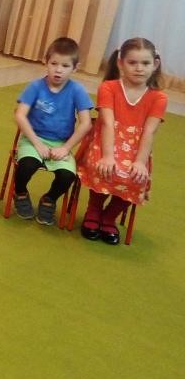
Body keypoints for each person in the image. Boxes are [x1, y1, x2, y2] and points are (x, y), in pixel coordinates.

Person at [76, 38, 167, 245]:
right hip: (105, 141)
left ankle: (109, 216)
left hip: (136, 148)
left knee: (135, 176)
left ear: (155, 64)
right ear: (120, 63)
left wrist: (140, 162)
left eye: (145, 63)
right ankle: (94, 209)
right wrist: (108, 156)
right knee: (105, 167)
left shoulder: (159, 98)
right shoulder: (108, 87)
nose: (139, 68)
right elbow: (107, 123)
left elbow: (149, 132)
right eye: (132, 62)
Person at [11, 37, 93, 225]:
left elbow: (86, 123)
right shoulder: (35, 87)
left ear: (75, 68)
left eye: (65, 66)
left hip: (60, 144)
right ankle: (20, 192)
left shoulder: (77, 90)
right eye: (54, 63)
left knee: (67, 175)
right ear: (45, 62)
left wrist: (66, 148)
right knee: (27, 165)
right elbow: (20, 115)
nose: (58, 70)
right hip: (33, 140)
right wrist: (37, 143)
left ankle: (49, 198)